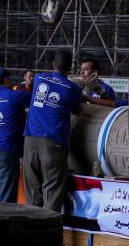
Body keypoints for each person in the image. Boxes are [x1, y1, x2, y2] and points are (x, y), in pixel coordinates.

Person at [23, 51, 82, 212]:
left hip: (30, 139)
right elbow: (77, 110)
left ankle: (30, 231)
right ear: (70, 68)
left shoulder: (39, 78)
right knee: (52, 192)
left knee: (33, 191)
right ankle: (47, 233)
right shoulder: (73, 88)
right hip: (54, 143)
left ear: (52, 65)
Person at [0, 67, 31, 203]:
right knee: (6, 198)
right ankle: (3, 224)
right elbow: (34, 99)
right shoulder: (15, 95)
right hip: (4, 150)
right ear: (6, 80)